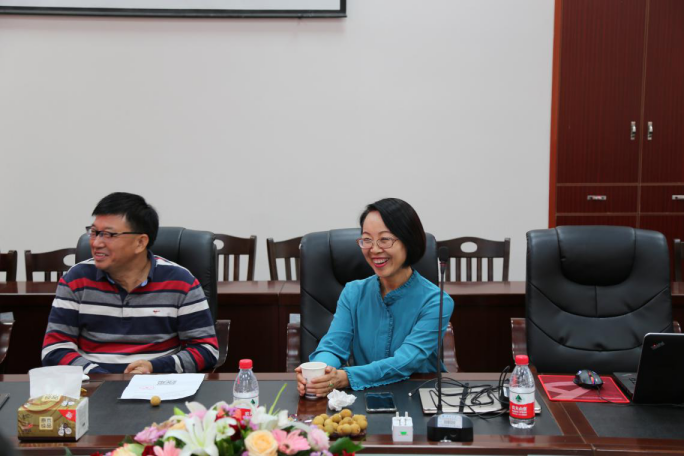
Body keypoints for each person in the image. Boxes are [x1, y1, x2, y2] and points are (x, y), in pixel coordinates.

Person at [41, 192, 218, 374]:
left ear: (140, 242)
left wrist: (155, 368)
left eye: (108, 234)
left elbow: (206, 349)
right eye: (94, 232)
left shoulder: (181, 282)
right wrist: (101, 377)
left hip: (156, 384)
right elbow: (54, 349)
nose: (96, 243)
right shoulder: (76, 279)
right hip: (92, 383)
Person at [296, 198, 455, 396]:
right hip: (366, 395)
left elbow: (406, 361)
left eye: (385, 239)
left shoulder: (436, 302)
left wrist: (346, 377)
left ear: (409, 241)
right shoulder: (353, 292)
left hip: (419, 395)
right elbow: (333, 346)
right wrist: (319, 373)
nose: (375, 249)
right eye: (367, 239)